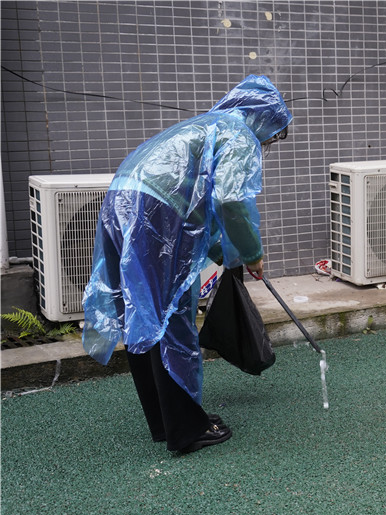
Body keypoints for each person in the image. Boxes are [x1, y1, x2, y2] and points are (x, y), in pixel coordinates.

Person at [82, 75, 292, 454]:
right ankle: (188, 430)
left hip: (121, 200)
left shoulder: (205, 125)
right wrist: (250, 253)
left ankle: (165, 422)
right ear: (264, 118)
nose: (268, 144)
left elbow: (200, 208)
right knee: (172, 315)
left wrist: (222, 253)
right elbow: (230, 201)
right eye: (273, 136)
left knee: (143, 313)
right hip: (156, 213)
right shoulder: (239, 134)